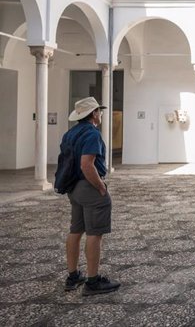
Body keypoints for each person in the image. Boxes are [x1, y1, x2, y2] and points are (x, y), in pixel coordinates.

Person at [62, 97, 120, 296]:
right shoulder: (92, 133)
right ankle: (92, 281)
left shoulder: (70, 133)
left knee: (75, 230)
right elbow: (87, 164)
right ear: (94, 114)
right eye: (99, 111)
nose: (101, 114)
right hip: (89, 187)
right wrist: (101, 188)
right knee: (95, 233)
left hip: (74, 188)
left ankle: (73, 275)